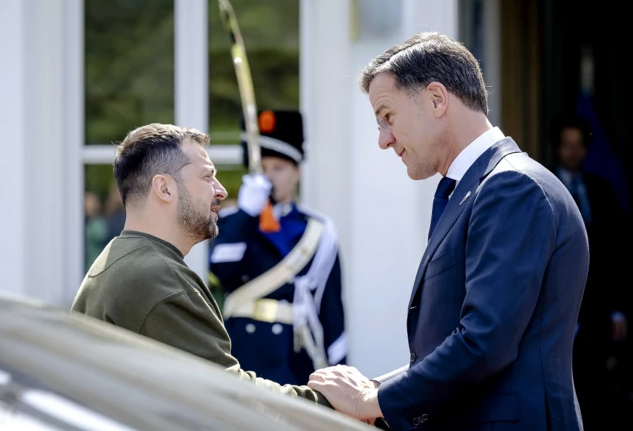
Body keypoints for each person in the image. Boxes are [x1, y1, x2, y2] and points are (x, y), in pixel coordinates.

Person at [308, 31, 590, 430]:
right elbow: (453, 345)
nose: (383, 140)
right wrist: (377, 391)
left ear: (437, 99)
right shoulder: (481, 188)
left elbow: (484, 342)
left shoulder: (511, 187)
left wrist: (371, 400)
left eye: (388, 117)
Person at [71, 123, 330, 407]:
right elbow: (231, 399)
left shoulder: (122, 256)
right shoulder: (157, 278)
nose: (219, 191)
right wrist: (328, 403)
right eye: (207, 177)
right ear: (165, 188)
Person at [209, 110, 347, 386]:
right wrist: (246, 214)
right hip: (240, 353)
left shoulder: (317, 229)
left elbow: (330, 307)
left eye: (278, 168)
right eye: (262, 169)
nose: (269, 177)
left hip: (291, 355)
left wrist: (340, 371)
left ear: (297, 172)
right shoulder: (233, 221)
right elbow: (221, 271)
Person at [549, 113, 633, 429]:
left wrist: (617, 310)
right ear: (557, 148)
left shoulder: (601, 190)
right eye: (566, 145)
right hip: (561, 309)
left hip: (599, 310)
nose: (572, 151)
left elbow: (618, 255)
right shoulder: (544, 187)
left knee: (599, 390)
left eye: (578, 145)